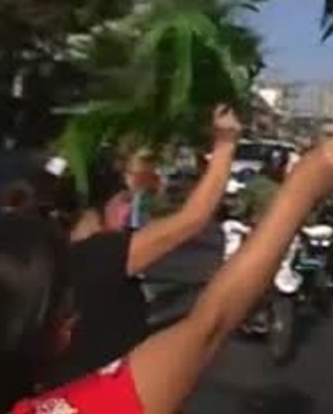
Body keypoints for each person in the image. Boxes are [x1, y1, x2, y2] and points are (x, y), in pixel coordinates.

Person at [0, 128, 333, 414]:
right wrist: (301, 188)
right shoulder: (99, 256)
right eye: (60, 312)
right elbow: (212, 319)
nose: (73, 318)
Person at [40, 106, 243, 387]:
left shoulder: (47, 249)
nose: (129, 211)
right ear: (99, 205)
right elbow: (194, 217)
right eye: (124, 200)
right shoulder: (101, 254)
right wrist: (226, 143)